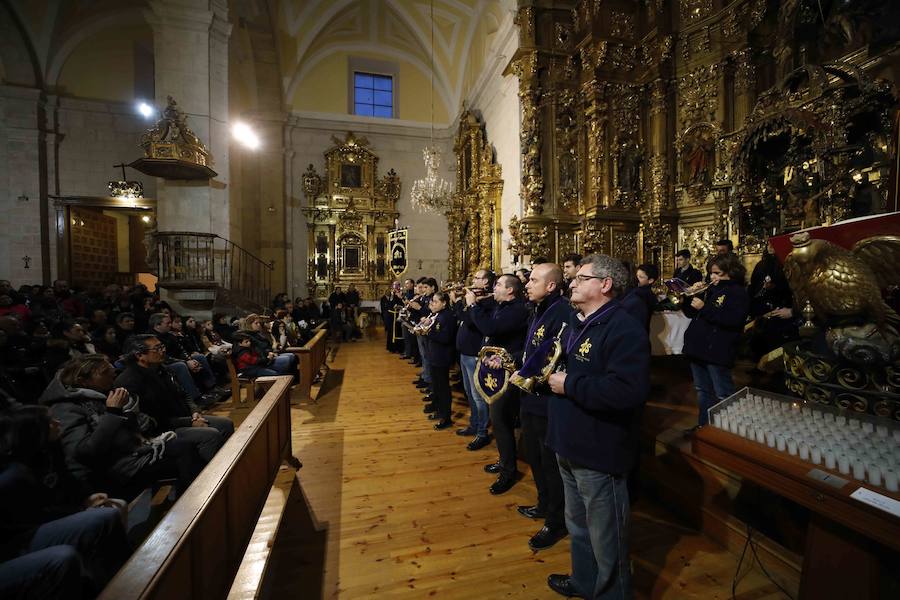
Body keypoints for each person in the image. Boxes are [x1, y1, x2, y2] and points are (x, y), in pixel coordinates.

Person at [545, 254, 649, 599]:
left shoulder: (624, 327)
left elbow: (627, 391)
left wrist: (570, 384)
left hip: (598, 448)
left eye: (581, 277)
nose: (571, 281)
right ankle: (584, 581)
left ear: (605, 285)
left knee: (608, 539)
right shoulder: (577, 322)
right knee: (577, 525)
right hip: (569, 440)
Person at [0, 404, 131, 595]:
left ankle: (126, 585)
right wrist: (78, 509)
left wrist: (86, 498)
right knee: (62, 557)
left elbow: (68, 481)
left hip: (37, 525)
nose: (58, 422)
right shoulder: (14, 476)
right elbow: (36, 515)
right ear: (37, 430)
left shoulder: (50, 450)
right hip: (16, 540)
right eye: (51, 421)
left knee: (107, 515)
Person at [40, 355, 203, 498]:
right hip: (110, 470)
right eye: (105, 372)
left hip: (133, 450)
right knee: (186, 451)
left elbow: (140, 426)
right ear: (83, 381)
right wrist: (113, 412)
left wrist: (133, 414)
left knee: (187, 448)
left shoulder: (104, 393)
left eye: (111, 368)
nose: (113, 373)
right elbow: (85, 452)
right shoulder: (65, 408)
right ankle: (194, 508)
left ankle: (197, 501)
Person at [515, 263, 572, 551]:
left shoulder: (561, 311)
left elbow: (553, 354)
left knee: (550, 463)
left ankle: (556, 520)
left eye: (534, 280)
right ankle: (543, 503)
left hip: (547, 400)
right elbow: (532, 348)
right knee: (535, 457)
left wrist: (528, 371)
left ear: (551, 285)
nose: (526, 284)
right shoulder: (538, 308)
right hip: (530, 395)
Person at [115, 335, 234, 463]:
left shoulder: (163, 369)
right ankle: (203, 477)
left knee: (225, 424)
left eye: (162, 346)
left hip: (183, 419)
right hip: (161, 430)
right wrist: (189, 422)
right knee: (211, 435)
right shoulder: (129, 381)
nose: (163, 350)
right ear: (139, 355)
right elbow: (151, 421)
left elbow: (184, 394)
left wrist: (194, 411)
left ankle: (228, 467)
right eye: (158, 348)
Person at [468, 274, 528, 495]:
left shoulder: (517, 310)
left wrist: (473, 305)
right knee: (498, 421)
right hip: (494, 370)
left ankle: (508, 471)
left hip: (507, 374)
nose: (495, 288)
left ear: (510, 291)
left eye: (499, 285)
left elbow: (490, 329)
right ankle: (504, 462)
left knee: (501, 422)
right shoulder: (501, 306)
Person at [683, 253, 749, 427]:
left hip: (718, 349)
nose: (712, 277)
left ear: (731, 272)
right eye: (711, 273)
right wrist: (690, 294)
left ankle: (727, 430)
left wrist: (704, 308)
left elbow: (732, 320)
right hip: (699, 348)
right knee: (703, 391)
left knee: (723, 393)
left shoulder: (737, 292)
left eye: (716, 273)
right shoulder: (711, 289)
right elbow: (690, 313)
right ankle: (704, 426)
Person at [451, 270, 496, 451]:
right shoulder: (475, 300)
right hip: (464, 352)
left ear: (486, 282)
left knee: (478, 396)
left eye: (477, 278)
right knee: (469, 393)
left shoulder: (488, 302)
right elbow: (461, 317)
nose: (473, 280)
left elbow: (469, 321)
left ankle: (482, 432)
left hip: (475, 353)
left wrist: (467, 304)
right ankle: (474, 423)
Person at [423, 292, 457, 430]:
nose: (432, 304)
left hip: (442, 357)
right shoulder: (438, 315)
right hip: (434, 355)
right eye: (432, 302)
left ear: (444, 303)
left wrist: (428, 331)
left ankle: (446, 417)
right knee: (436, 386)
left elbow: (445, 338)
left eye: (436, 302)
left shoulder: (447, 317)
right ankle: (439, 410)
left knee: (443, 388)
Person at [621, 263, 659, 331]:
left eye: (641, 277)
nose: (637, 279)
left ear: (650, 280)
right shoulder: (635, 289)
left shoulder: (643, 293)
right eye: (637, 276)